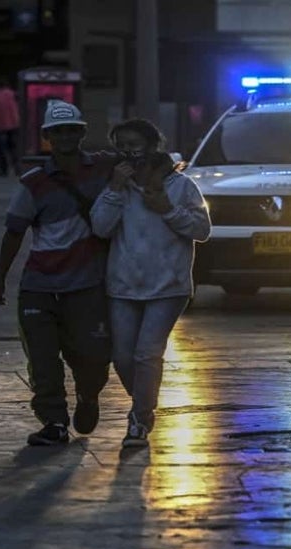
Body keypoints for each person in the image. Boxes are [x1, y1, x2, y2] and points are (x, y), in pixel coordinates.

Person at [0, 101, 113, 446]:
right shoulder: (33, 183)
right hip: (39, 287)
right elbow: (14, 232)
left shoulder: (104, 168)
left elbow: (146, 159)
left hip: (87, 287)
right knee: (43, 362)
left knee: (94, 358)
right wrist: (0, 278)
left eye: (72, 129)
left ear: (82, 133)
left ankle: (88, 396)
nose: (66, 137)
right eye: (58, 131)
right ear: (47, 137)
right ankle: (54, 422)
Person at [90, 118, 211, 449]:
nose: (129, 151)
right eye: (121, 145)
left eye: (135, 143)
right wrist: (115, 189)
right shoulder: (117, 185)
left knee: (147, 353)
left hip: (168, 287)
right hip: (123, 285)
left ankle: (139, 419)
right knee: (123, 356)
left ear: (153, 145)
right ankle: (143, 403)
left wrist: (168, 210)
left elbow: (202, 230)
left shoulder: (181, 185)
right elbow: (100, 227)